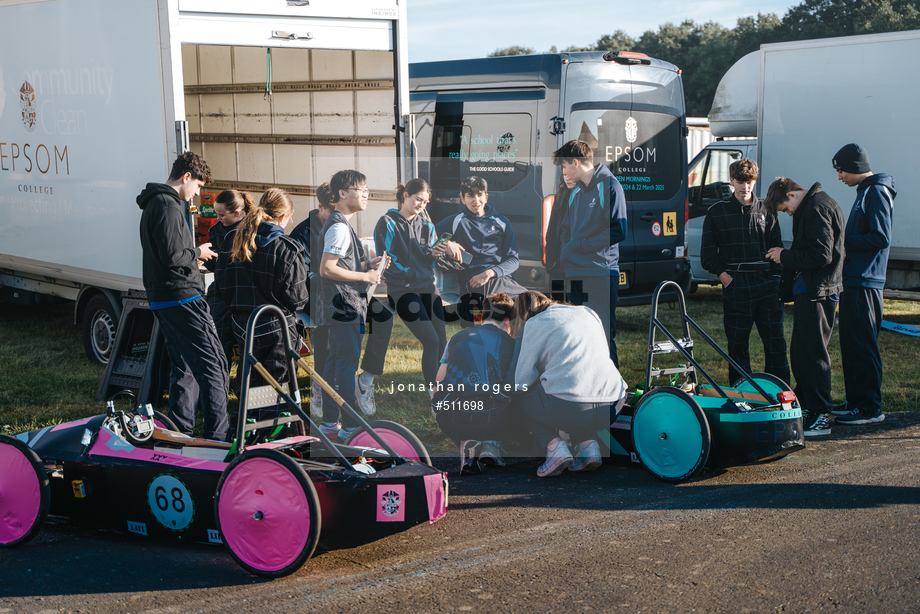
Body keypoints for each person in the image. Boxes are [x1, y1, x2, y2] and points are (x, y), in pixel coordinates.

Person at [136, 151, 229, 440]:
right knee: (214, 367)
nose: (196, 194)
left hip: (164, 297)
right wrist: (198, 252)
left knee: (185, 367)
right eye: (198, 187)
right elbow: (174, 255)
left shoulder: (154, 203)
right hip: (182, 298)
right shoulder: (167, 205)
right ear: (186, 177)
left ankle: (180, 433)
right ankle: (217, 440)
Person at [290, 184, 395, 418]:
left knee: (384, 317)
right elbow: (302, 277)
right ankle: (321, 388)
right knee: (328, 336)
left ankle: (365, 379)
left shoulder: (342, 224)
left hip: (350, 293)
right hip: (317, 296)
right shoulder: (304, 233)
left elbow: (350, 264)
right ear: (321, 206)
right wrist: (348, 275)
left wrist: (369, 264)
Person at [507, 291, 628, 477]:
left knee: (518, 398)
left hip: (572, 409)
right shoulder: (587, 312)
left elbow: (519, 382)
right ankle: (589, 446)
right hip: (614, 403)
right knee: (575, 388)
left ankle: (554, 448)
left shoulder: (533, 324)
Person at [216, 187, 308, 418]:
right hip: (276, 327)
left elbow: (222, 286)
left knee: (249, 381)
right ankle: (269, 437)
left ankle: (245, 431)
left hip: (242, 323)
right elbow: (298, 299)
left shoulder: (231, 241)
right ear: (282, 218)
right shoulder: (286, 248)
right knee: (276, 386)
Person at [765, 178, 845, 437]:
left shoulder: (816, 207)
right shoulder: (814, 205)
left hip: (818, 291)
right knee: (802, 352)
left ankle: (821, 412)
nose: (788, 213)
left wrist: (784, 256)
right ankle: (811, 406)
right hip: (812, 290)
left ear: (791, 194)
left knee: (813, 354)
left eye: (786, 208)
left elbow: (822, 254)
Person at [700, 159, 789, 385]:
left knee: (775, 342)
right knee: (738, 344)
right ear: (731, 181)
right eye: (740, 182)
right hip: (736, 284)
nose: (745, 187)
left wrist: (776, 278)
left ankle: (779, 392)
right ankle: (742, 394)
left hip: (767, 284)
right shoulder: (716, 213)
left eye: (749, 182)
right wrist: (725, 277)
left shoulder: (768, 210)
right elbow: (708, 254)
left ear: (755, 181)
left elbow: (777, 247)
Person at [316, 170, 387, 441]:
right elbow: (327, 268)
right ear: (342, 193)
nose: (366, 193)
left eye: (367, 189)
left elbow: (341, 265)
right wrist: (365, 276)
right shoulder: (338, 226)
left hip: (340, 306)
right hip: (344, 307)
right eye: (360, 189)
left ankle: (330, 424)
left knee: (334, 366)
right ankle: (348, 427)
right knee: (345, 368)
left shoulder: (340, 223)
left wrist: (367, 264)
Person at [830, 143, 895, 426]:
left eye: (841, 170)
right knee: (852, 345)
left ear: (855, 168)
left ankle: (869, 407)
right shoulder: (864, 192)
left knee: (864, 345)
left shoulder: (876, 191)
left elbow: (880, 237)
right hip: (854, 279)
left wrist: (841, 242)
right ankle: (856, 401)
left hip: (866, 280)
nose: (840, 176)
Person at [551, 140, 627, 366]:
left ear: (575, 163)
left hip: (600, 273)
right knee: (577, 335)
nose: (563, 172)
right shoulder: (575, 192)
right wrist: (567, 250)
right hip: (574, 272)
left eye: (564, 167)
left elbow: (618, 230)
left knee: (602, 334)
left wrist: (581, 246)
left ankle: (613, 397)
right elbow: (565, 228)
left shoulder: (610, 186)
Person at [374, 178, 447, 387]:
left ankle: (441, 388)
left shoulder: (427, 225)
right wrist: (411, 274)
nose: (421, 205)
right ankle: (434, 394)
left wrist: (435, 253)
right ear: (405, 195)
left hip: (427, 286)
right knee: (431, 341)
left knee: (442, 342)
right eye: (418, 199)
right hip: (401, 290)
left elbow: (428, 258)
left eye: (425, 202)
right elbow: (386, 259)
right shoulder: (387, 222)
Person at [432, 293, 516, 473]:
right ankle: (490, 444)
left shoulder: (456, 338)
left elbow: (439, 381)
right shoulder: (510, 342)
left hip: (452, 417)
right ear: (507, 321)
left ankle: (466, 441)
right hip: (492, 416)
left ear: (482, 317)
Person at [436, 176, 526, 327]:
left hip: (500, 279)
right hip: (475, 284)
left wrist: (490, 273)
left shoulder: (502, 222)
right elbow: (426, 235)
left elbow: (513, 260)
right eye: (470, 196)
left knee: (531, 303)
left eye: (480, 195)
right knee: (515, 308)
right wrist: (447, 243)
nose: (476, 200)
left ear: (486, 197)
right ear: (462, 199)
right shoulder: (456, 221)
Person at [203, 189, 253, 369]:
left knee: (248, 345)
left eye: (222, 215)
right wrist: (207, 258)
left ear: (237, 213)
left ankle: (246, 388)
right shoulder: (216, 230)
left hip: (245, 294)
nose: (219, 218)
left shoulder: (252, 229)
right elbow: (215, 265)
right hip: (221, 294)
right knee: (217, 344)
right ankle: (219, 384)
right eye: (217, 214)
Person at [544, 174, 576, 302]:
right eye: (564, 174)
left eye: (570, 174)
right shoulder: (561, 196)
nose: (567, 177)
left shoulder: (585, 196)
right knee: (558, 309)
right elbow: (551, 232)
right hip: (557, 265)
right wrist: (551, 264)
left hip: (575, 265)